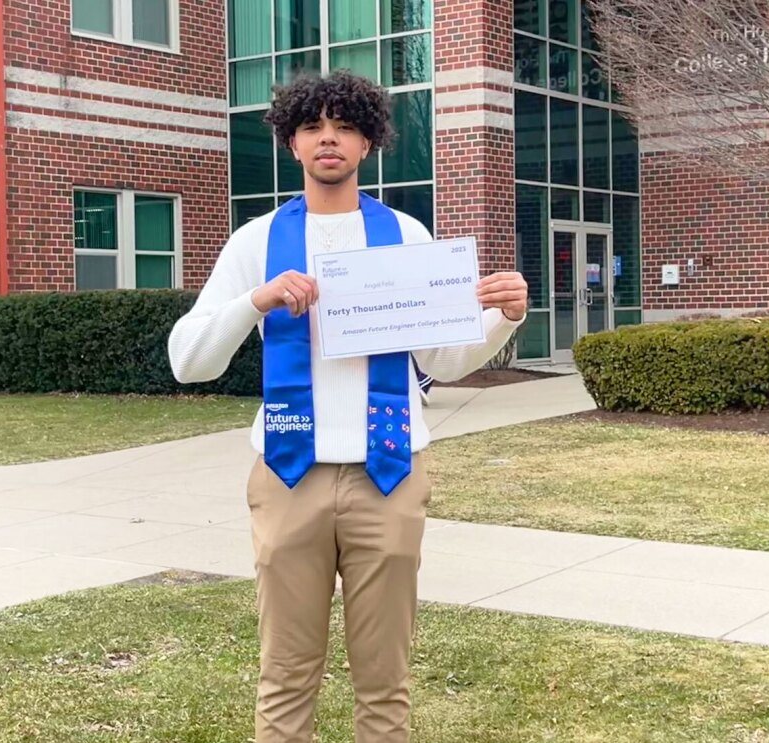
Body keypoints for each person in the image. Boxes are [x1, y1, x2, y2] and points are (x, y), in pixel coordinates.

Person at [167, 70, 527, 743]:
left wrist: (503, 319)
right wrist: (258, 300)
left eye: (343, 126)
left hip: (388, 472)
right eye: (312, 126)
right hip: (286, 474)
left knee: (385, 682)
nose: (327, 137)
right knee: (284, 677)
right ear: (292, 143)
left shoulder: (407, 236)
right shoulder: (256, 241)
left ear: (368, 142)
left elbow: (443, 361)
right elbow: (189, 359)